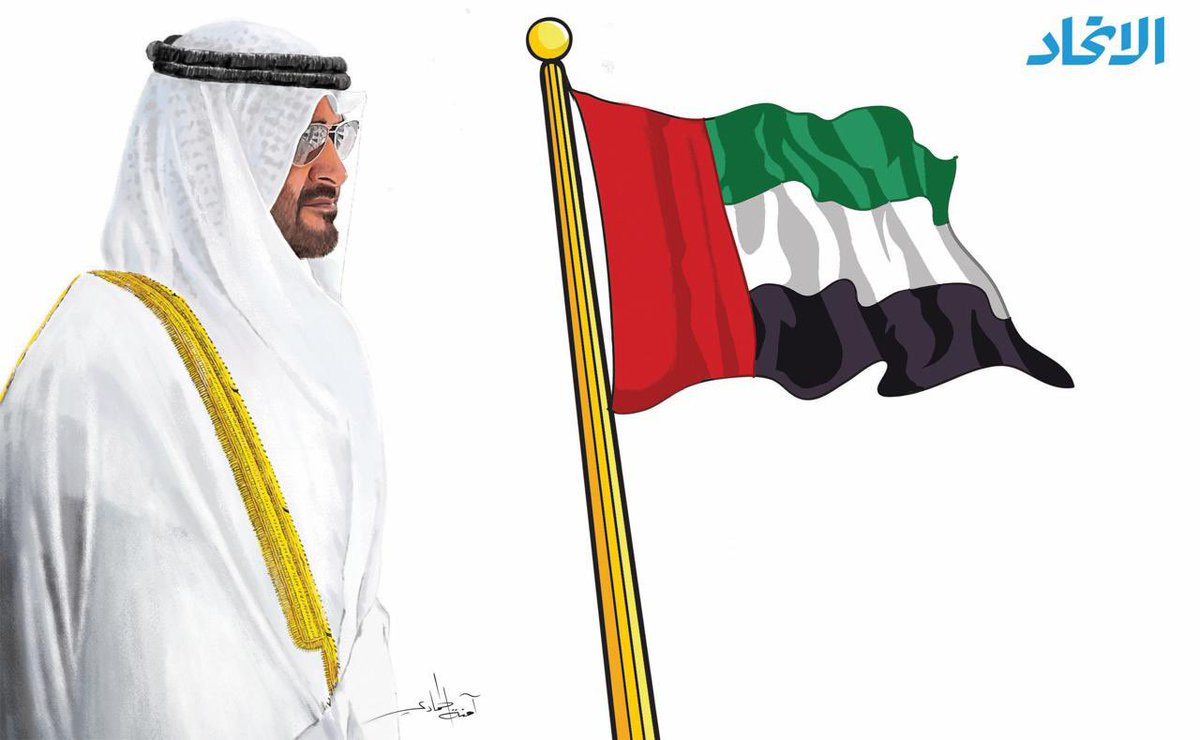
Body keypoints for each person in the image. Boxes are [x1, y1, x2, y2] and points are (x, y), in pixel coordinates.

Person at [0, 22, 400, 738]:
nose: (336, 169)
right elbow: (31, 645)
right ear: (213, 155)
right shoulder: (94, 353)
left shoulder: (329, 354)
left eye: (339, 136)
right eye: (307, 140)